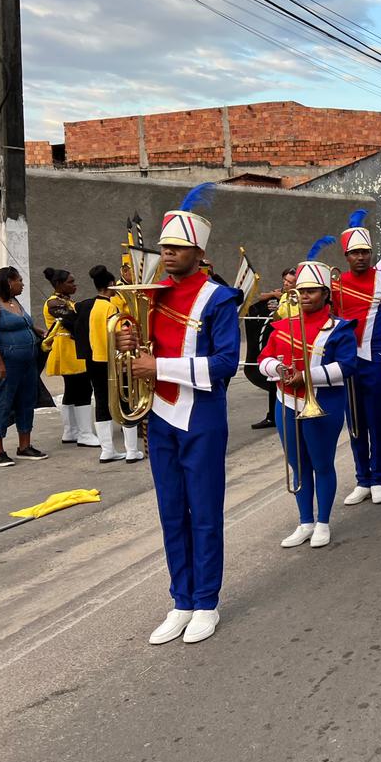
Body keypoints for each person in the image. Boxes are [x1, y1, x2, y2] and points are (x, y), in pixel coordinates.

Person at [117, 184, 241, 646]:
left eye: (176, 248)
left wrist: (159, 366)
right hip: (160, 414)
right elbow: (142, 349)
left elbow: (227, 364)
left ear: (198, 251)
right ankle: (181, 600)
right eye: (164, 247)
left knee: (204, 512)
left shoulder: (220, 299)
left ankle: (206, 601)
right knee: (171, 512)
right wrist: (131, 346)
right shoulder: (151, 295)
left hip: (203, 414)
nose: (167, 255)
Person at [259, 251, 357, 549]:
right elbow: (262, 360)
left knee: (322, 463)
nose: (304, 296)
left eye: (311, 291)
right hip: (286, 402)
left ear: (326, 294)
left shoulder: (340, 328)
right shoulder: (282, 326)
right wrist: (278, 368)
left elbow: (348, 366)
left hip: (323, 404)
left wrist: (307, 375)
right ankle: (305, 521)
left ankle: (324, 521)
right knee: (297, 465)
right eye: (300, 291)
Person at [333, 210, 381, 507]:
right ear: (346, 256)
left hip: (376, 359)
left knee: (376, 420)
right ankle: (362, 478)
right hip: (347, 362)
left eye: (365, 252)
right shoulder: (334, 285)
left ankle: (378, 477)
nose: (361, 257)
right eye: (355, 253)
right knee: (355, 423)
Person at [0, 267, 48, 466]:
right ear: (8, 281)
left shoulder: (14, 301)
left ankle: (24, 447)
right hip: (4, 362)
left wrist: (36, 330)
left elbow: (23, 323)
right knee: (2, 403)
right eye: (19, 280)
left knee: (27, 401)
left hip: (27, 361)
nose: (22, 284)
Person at [85, 265, 145, 464]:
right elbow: (122, 334)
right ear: (111, 285)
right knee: (126, 402)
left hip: (96, 360)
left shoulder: (94, 307)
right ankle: (131, 450)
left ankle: (107, 450)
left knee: (102, 404)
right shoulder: (111, 307)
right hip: (114, 361)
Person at [42, 267, 101, 448]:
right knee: (83, 389)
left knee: (72, 390)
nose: (74, 285)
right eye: (70, 282)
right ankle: (85, 434)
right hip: (67, 348)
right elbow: (72, 322)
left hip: (70, 347)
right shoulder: (54, 304)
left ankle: (71, 431)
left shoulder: (65, 301)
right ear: (59, 284)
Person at [250, 268, 298, 430]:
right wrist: (274, 308)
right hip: (281, 341)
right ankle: (273, 415)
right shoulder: (284, 296)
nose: (285, 283)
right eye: (284, 280)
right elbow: (278, 318)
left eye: (290, 282)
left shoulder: (298, 299)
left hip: (295, 343)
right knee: (274, 381)